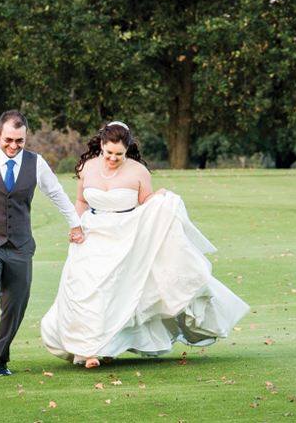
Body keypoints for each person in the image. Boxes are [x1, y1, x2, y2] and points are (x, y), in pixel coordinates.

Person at [41, 121, 250, 368]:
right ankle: (89, 351)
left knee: (115, 292)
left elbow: (146, 203)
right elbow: (80, 200)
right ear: (101, 145)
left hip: (125, 236)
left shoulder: (138, 171)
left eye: (119, 154)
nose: (113, 158)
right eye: (109, 153)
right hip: (92, 234)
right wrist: (74, 227)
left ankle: (106, 347)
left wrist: (160, 199)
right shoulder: (86, 167)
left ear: (127, 149)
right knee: (86, 289)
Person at [0, 110, 84, 376]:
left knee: (15, 304)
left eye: (19, 141)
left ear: (26, 136)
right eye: (8, 139)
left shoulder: (36, 163)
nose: (13, 146)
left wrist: (75, 223)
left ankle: (0, 359)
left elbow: (57, 194)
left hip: (20, 245)